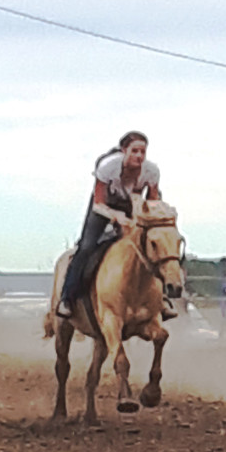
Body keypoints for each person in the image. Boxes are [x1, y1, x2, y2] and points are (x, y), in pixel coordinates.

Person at [57, 132, 176, 321]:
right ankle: (67, 298)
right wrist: (116, 217)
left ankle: (162, 298)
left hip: (132, 206)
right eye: (134, 151)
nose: (139, 156)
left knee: (152, 246)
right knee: (87, 246)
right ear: (124, 151)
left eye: (142, 152)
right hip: (103, 207)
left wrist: (155, 217)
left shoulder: (151, 171)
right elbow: (98, 203)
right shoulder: (108, 167)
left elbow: (152, 201)